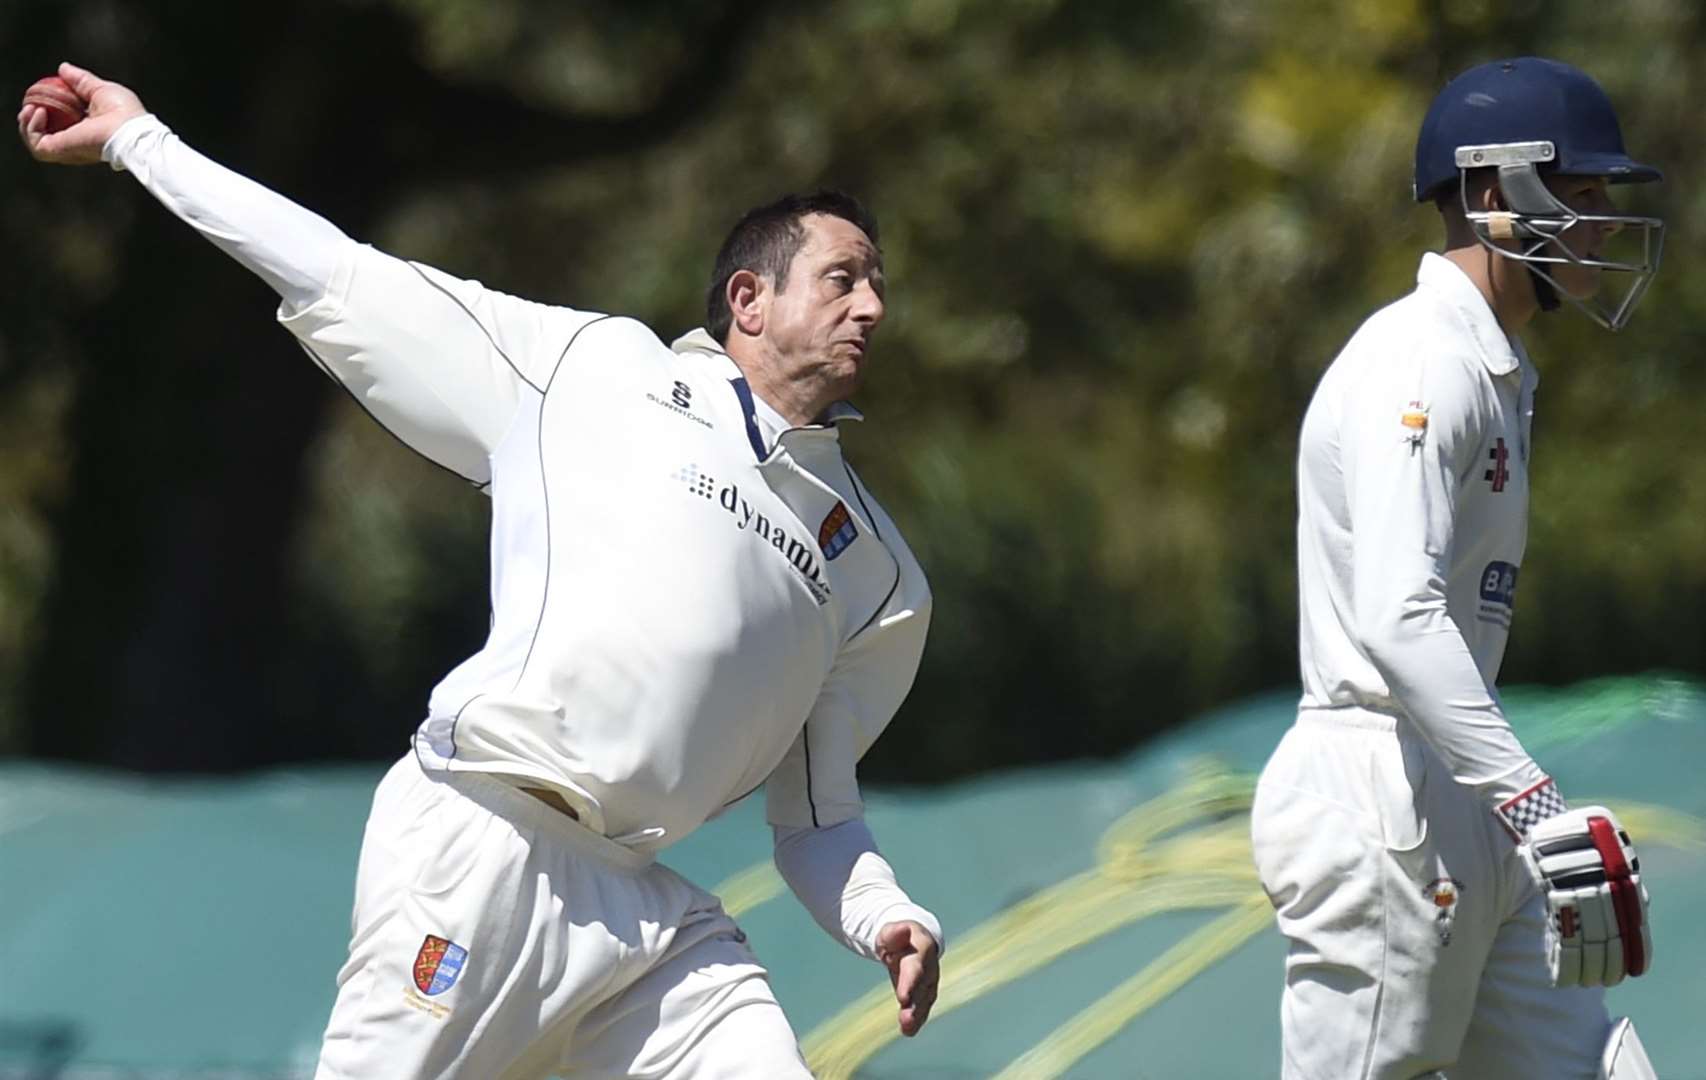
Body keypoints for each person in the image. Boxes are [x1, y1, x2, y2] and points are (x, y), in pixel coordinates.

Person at [22, 62, 943, 1079]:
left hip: (643, 916)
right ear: (748, 300)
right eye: (843, 278)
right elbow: (333, 271)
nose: (872, 308)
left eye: (878, 287)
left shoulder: (881, 581)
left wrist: (884, 915)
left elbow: (818, 817)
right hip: (478, 841)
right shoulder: (591, 369)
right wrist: (138, 141)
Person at [1250, 57, 1663, 1078]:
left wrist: (1511, 812)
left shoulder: (1488, 364)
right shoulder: (1419, 360)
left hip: (1459, 786)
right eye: (1577, 192)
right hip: (1378, 794)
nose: (1603, 220)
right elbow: (1397, 615)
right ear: (1491, 194)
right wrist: (1532, 803)